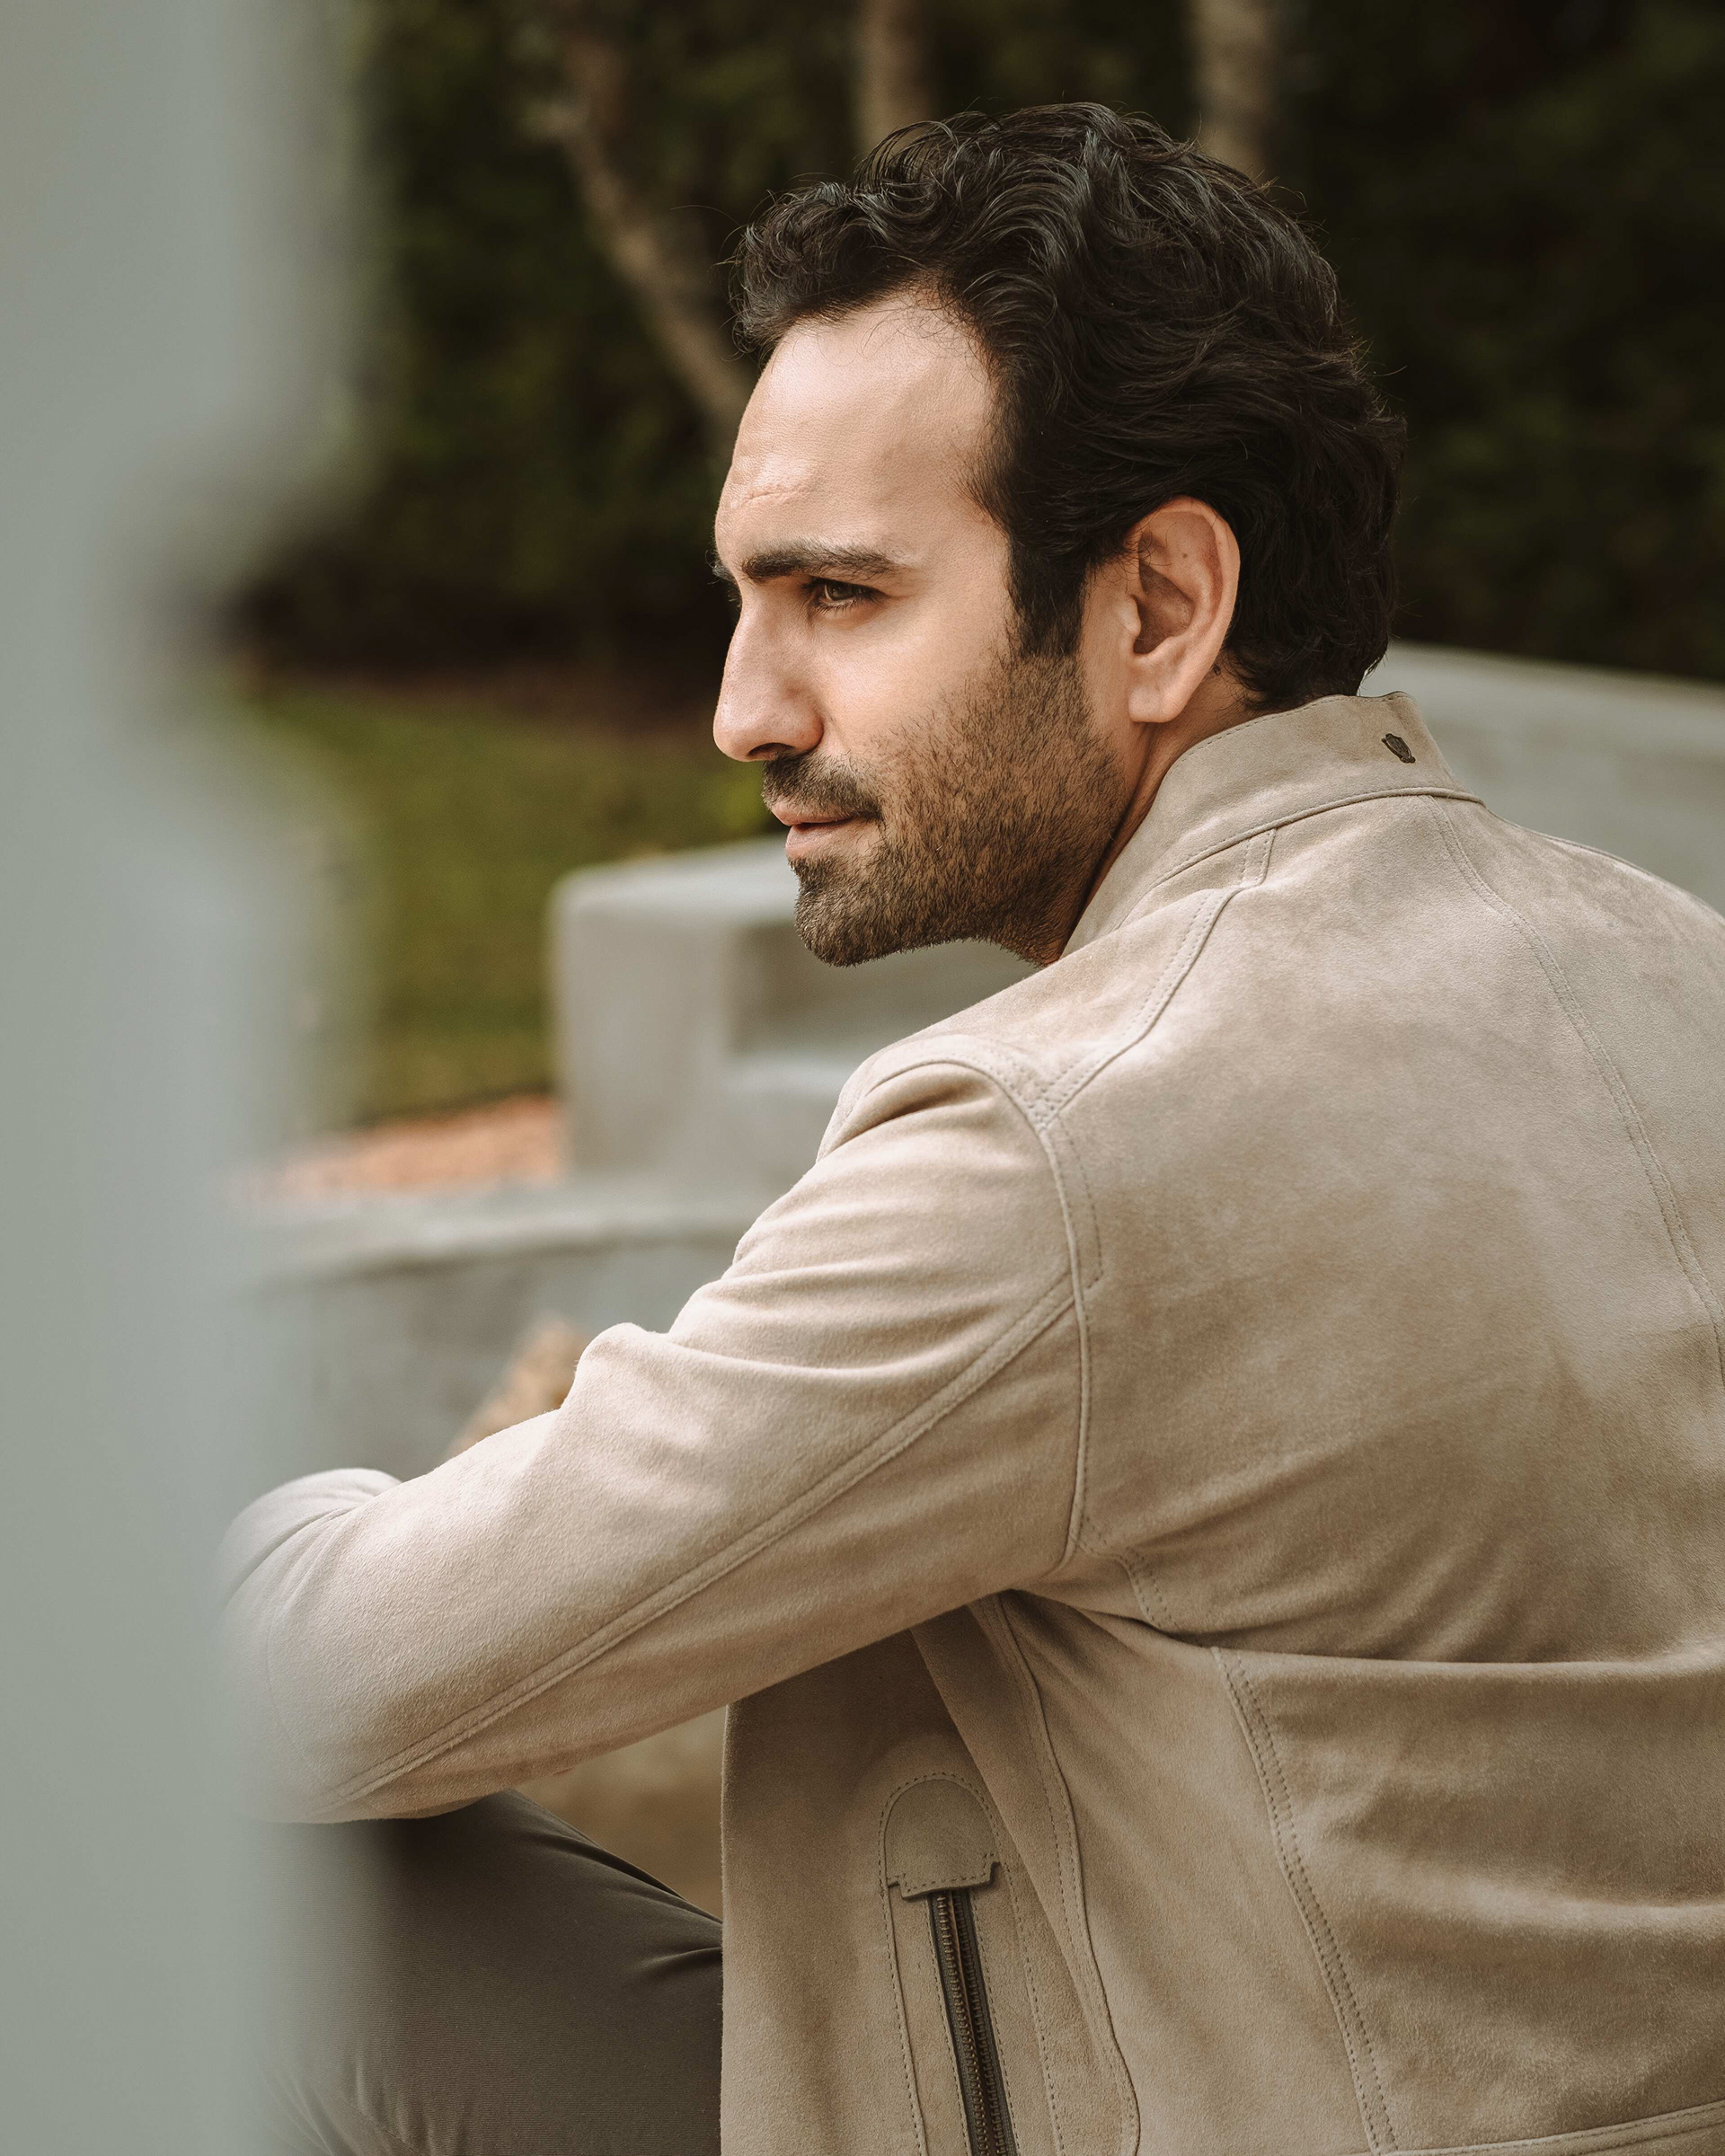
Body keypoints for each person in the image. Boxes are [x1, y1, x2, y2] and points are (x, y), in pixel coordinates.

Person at [225, 105, 1725, 2156]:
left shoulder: (1069, 1143)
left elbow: (330, 1688)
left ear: (1158, 606)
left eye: (839, 595)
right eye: (745, 602)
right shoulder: (1679, 969)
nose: (745, 709)